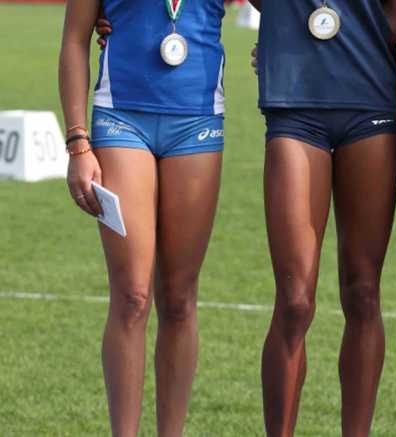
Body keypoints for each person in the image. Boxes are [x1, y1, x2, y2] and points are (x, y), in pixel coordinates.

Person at [59, 0, 226, 435]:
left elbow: (286, 14)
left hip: (198, 122)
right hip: (120, 119)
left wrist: (277, 50)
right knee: (132, 295)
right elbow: (74, 40)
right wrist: (77, 143)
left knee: (179, 298)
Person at [248, 0, 396, 435]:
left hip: (370, 99)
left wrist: (344, 35)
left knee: (363, 291)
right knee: (294, 300)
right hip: (294, 102)